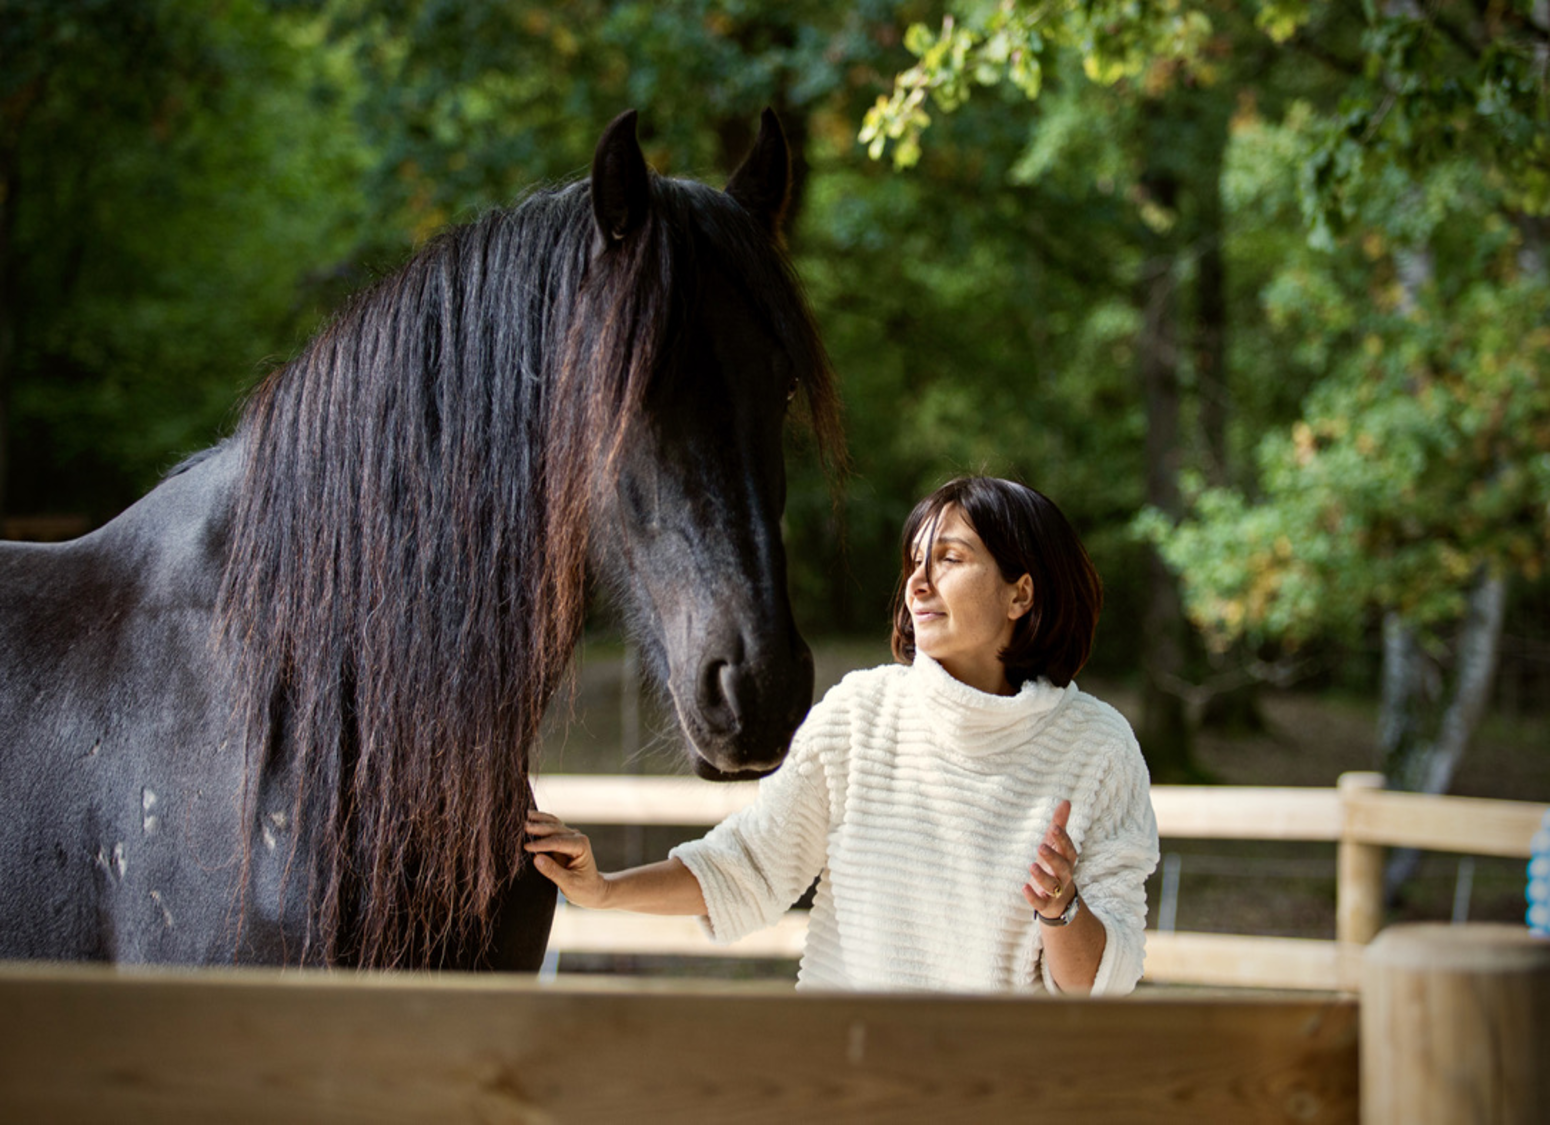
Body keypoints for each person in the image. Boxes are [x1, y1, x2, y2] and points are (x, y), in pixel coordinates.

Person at [526, 476, 1160, 994]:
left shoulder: (1098, 748)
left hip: (1003, 1088)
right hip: (845, 1078)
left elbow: (1100, 983)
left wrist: (1060, 907)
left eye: (950, 558)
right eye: (914, 562)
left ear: (1021, 594)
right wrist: (603, 890)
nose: (918, 583)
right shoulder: (861, 712)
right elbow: (748, 866)